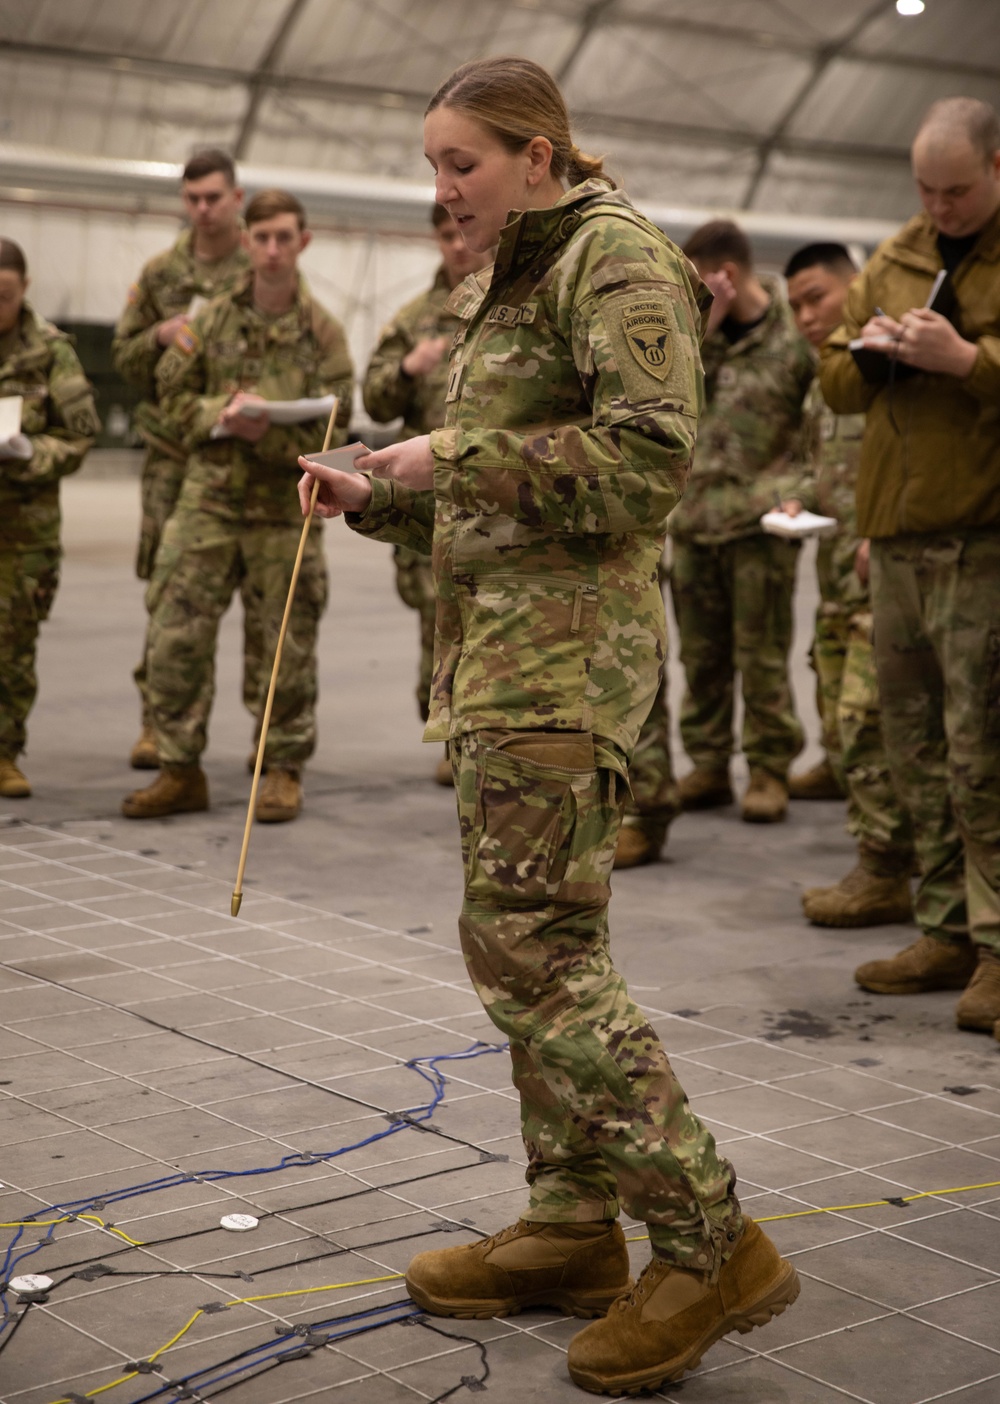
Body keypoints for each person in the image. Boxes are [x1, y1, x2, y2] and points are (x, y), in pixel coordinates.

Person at [298, 56, 798, 1396]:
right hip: (505, 668)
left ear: (541, 152)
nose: (442, 191)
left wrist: (441, 457)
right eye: (431, 167)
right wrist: (377, 493)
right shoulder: (520, 274)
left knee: (541, 961)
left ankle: (708, 1241)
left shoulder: (613, 262)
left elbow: (647, 464)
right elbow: (510, 483)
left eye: (460, 163)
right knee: (526, 947)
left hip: (567, 675)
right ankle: (576, 1220)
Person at [820, 97, 1000, 1041]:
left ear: (997, 167)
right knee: (914, 748)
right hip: (896, 535)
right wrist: (876, 352)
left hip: (981, 536)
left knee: (984, 754)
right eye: (927, 190)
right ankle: (944, 933)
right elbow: (832, 379)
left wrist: (969, 359)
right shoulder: (894, 259)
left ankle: (999, 950)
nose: (942, 207)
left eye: (959, 189)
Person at [122, 189, 353, 824]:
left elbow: (339, 423)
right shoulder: (209, 320)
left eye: (285, 237)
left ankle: (280, 766)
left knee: (284, 642)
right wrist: (217, 415)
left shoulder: (324, 332)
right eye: (262, 238)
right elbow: (168, 397)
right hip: (210, 500)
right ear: (246, 242)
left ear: (303, 242)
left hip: (284, 508)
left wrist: (270, 431)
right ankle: (177, 766)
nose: (273, 250)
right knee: (176, 631)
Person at [666, 220, 814, 825]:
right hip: (696, 519)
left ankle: (770, 768)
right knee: (700, 658)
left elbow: (821, 431)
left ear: (725, 274)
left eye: (698, 283)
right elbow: (664, 400)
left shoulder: (795, 340)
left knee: (762, 655)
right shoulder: (699, 339)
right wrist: (705, 328)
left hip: (761, 525)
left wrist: (799, 494)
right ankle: (707, 764)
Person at [784, 243, 915, 927]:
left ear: (854, 286)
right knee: (841, 722)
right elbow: (822, 463)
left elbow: (911, 452)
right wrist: (796, 502)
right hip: (835, 573)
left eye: (817, 299)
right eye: (796, 307)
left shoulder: (888, 355)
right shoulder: (826, 376)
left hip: (886, 567)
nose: (806, 317)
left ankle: (887, 869)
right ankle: (887, 861)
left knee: (871, 726)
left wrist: (880, 530)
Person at [112, 149, 252, 772]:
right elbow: (122, 358)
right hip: (174, 457)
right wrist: (157, 336)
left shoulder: (262, 267)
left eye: (213, 197)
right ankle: (158, 721)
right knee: (168, 594)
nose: (202, 209)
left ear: (236, 198)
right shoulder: (161, 273)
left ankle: (266, 740)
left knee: (256, 597)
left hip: (243, 460)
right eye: (192, 198)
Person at [363, 203, 490, 786]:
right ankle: (448, 732)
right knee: (436, 630)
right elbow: (375, 398)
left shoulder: (509, 301)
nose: (457, 245)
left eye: (459, 232)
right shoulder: (417, 317)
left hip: (497, 492)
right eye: (444, 236)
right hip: (429, 504)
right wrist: (408, 371)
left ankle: (482, 735)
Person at [0, 238, 101, 798]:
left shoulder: (50, 351)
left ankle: (4, 753)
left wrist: (31, 454)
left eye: (6, 296)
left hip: (23, 528)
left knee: (12, 645)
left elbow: (80, 435)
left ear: (24, 289)